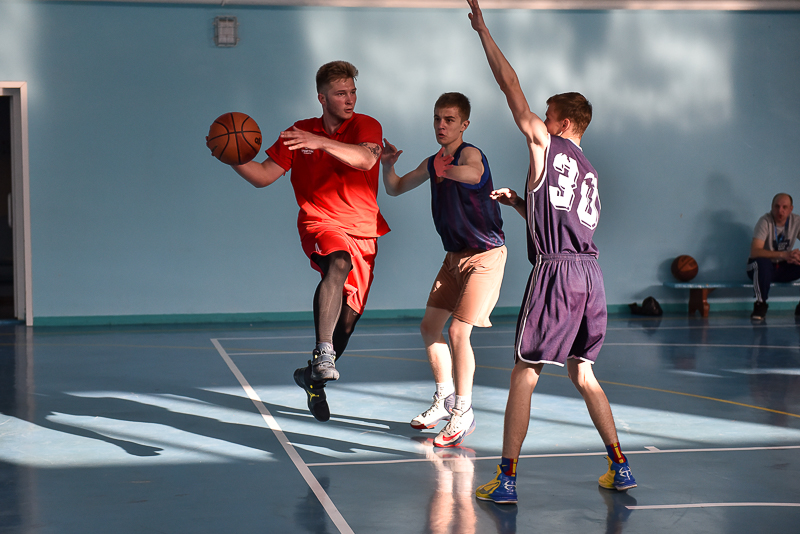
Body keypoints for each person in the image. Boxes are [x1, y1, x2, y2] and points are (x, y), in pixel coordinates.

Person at [465, 0, 636, 504]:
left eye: (545, 115)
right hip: (590, 275)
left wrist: (483, 32)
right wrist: (523, 205)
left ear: (559, 123)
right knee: (583, 371)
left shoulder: (546, 145)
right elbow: (567, 226)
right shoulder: (589, 170)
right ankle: (620, 466)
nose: (538, 120)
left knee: (525, 371)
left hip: (557, 275)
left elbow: (509, 86)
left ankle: (506, 479)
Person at [219, 60, 389, 422]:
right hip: (320, 221)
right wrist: (230, 156)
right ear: (322, 98)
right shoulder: (299, 133)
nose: (349, 99)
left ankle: (312, 377)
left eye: (353, 92)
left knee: (347, 324)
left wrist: (321, 142)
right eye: (340, 93)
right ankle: (323, 352)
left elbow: (365, 159)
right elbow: (263, 176)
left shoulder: (366, 125)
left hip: (363, 229)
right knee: (337, 262)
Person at [381, 92, 506, 448]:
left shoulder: (469, 154)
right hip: (453, 258)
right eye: (437, 118)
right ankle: (445, 399)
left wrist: (444, 170)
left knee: (457, 333)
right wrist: (387, 166)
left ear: (464, 124)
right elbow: (395, 188)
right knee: (429, 327)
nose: (441, 125)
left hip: (485, 257)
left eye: (449, 120)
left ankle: (463, 411)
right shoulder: (433, 161)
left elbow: (474, 174)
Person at [746, 193, 800, 321]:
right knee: (762, 263)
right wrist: (784, 254)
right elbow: (755, 251)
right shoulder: (765, 221)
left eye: (784, 207)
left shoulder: (796, 222)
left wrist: (796, 255)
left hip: (783, 267)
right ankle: (760, 304)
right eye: (777, 206)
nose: (780, 210)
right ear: (772, 207)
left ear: (791, 209)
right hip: (760, 267)